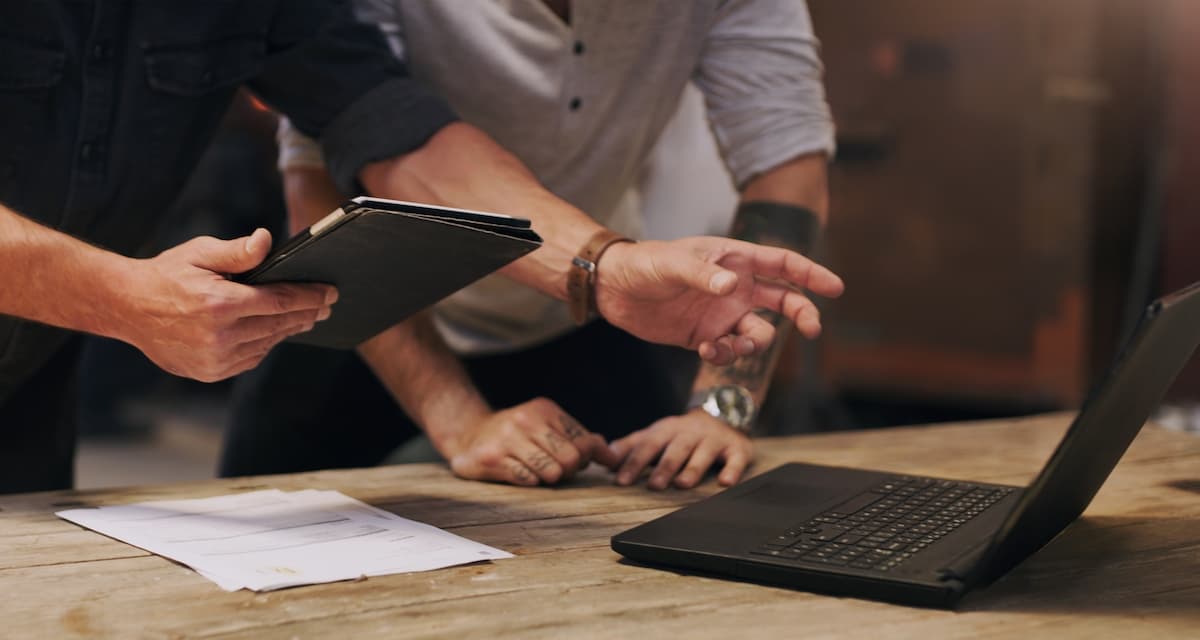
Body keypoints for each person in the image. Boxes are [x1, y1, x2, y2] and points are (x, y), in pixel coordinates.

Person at [0, 1, 841, 494]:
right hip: (335, 332)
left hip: (29, 388)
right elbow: (325, 182)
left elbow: (392, 127)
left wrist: (601, 266)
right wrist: (118, 296)